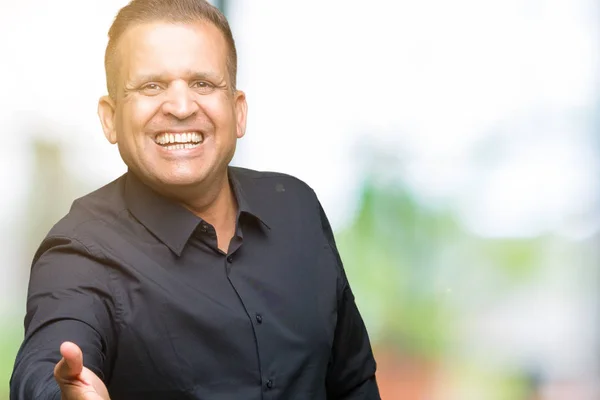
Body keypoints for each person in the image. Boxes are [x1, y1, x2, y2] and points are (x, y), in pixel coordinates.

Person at [10, 0, 380, 399]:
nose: (182, 108)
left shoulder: (297, 208)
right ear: (109, 117)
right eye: (152, 86)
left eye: (203, 83)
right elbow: (47, 364)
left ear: (238, 112)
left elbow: (354, 382)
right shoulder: (81, 252)